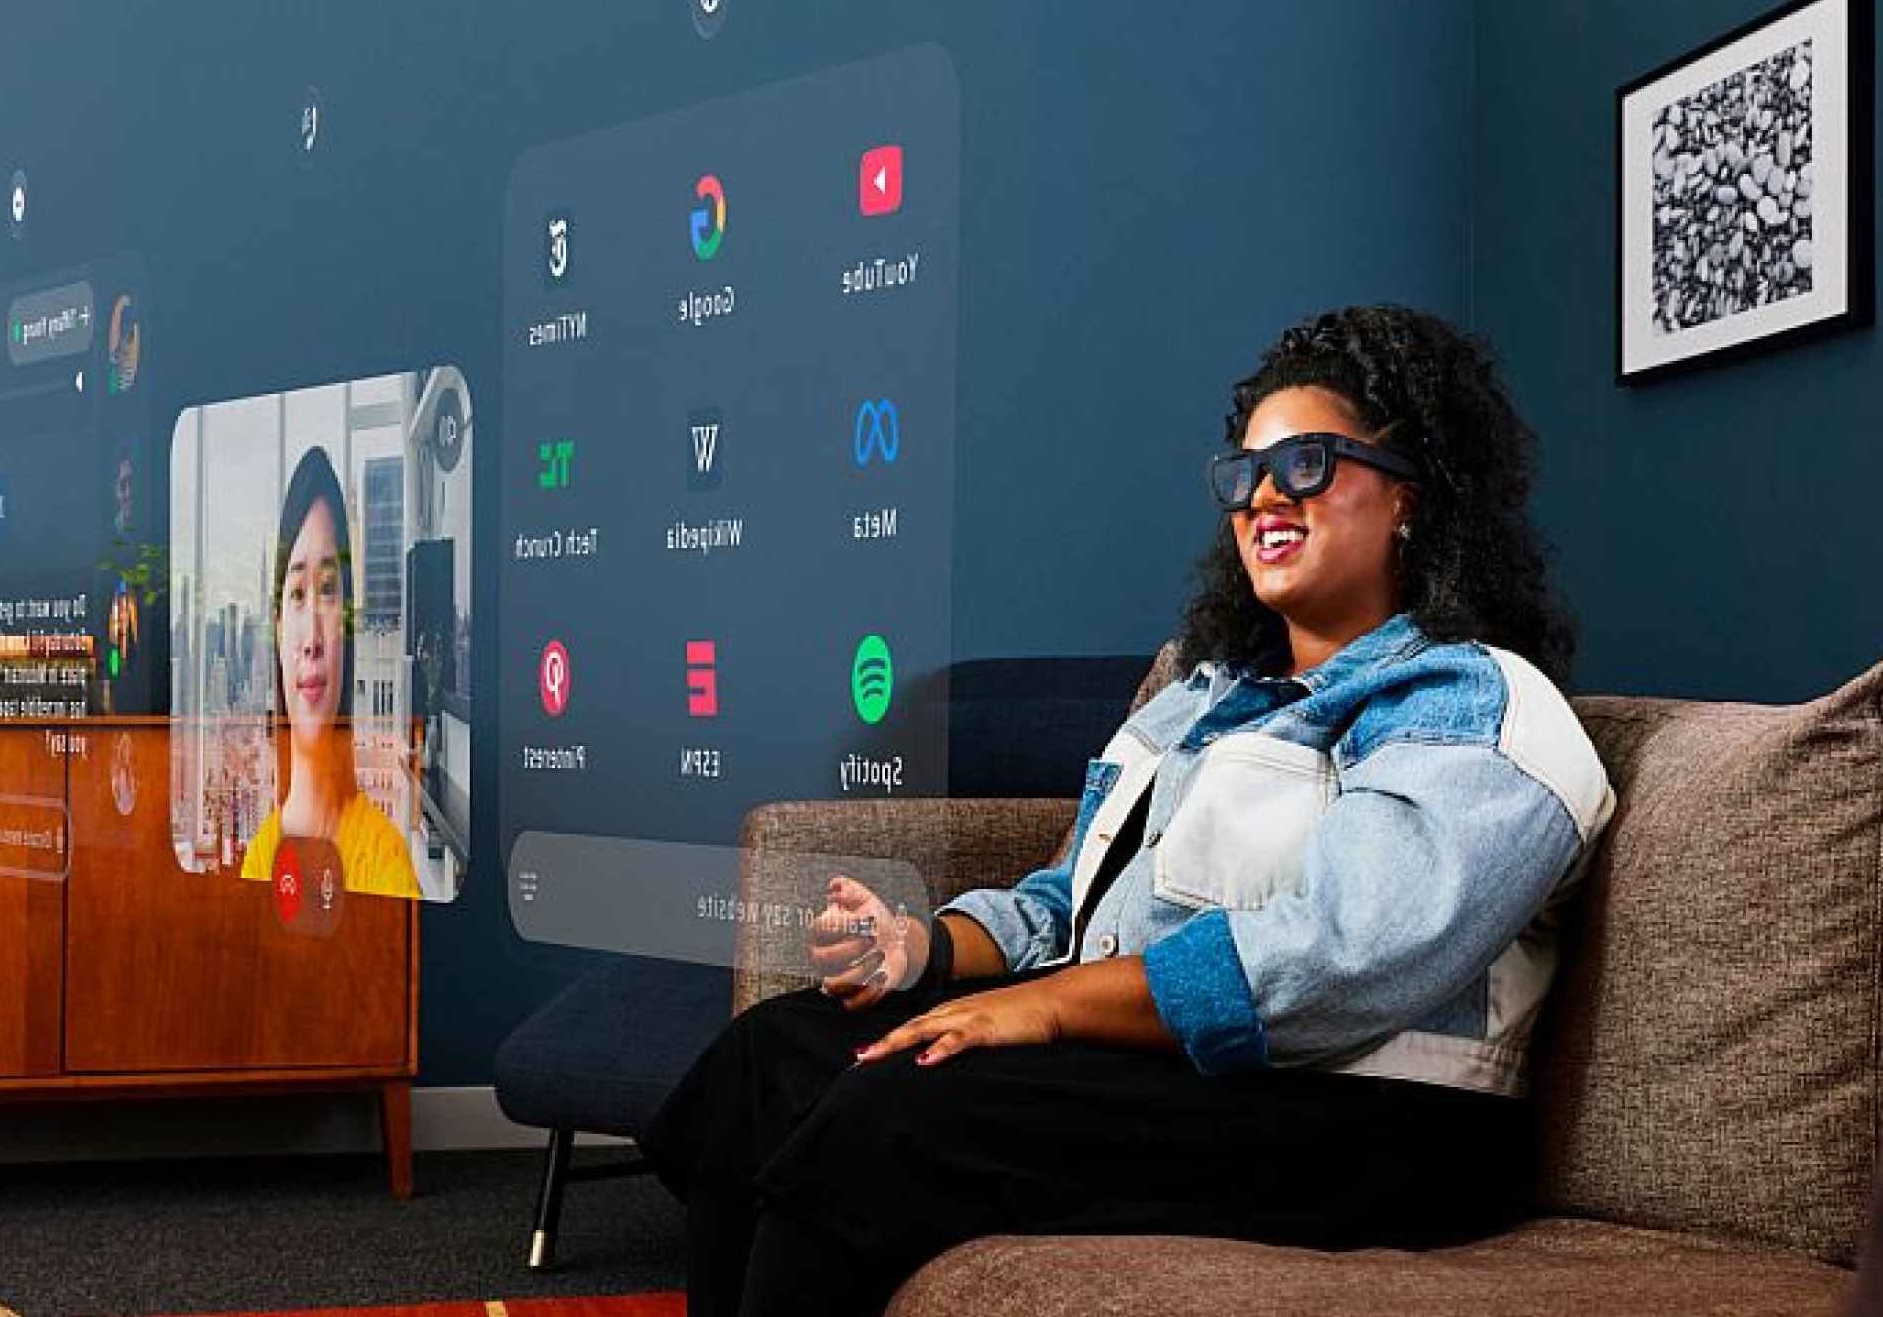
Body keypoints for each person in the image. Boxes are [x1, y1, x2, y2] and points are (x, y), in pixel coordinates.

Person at [640, 304, 1615, 1317]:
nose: (1265, 497)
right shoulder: (1196, 700)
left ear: (1412, 494)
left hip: (1372, 1113)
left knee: (891, 1109)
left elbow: (1340, 959)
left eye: (1309, 463)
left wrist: (1050, 1004)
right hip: (1182, 1073)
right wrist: (923, 950)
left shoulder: (1468, 702)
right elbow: (1068, 904)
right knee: (773, 1054)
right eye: (1243, 475)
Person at [238, 447, 420, 900]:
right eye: (297, 594)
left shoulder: (386, 865)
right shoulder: (257, 860)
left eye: (328, 589)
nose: (313, 638)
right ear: (278, 628)